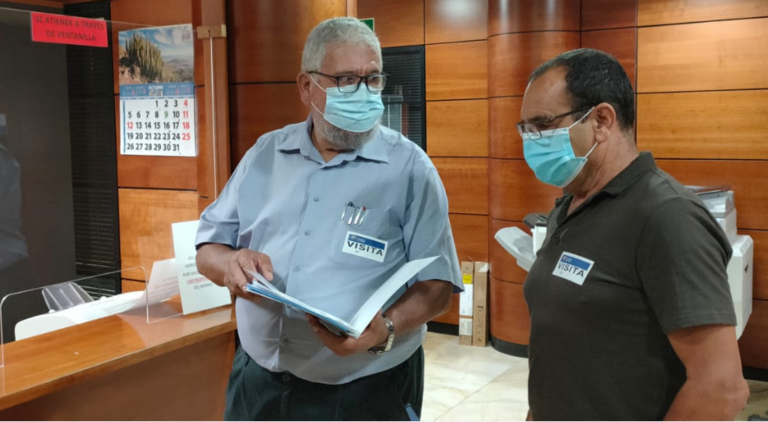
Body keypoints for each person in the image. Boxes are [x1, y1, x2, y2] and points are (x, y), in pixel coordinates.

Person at [195, 17, 462, 421]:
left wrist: (385, 329)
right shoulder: (265, 154)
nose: (363, 93)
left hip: (365, 388)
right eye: (345, 80)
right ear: (307, 87)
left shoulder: (410, 168)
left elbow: (438, 286)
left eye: (372, 80)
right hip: (259, 379)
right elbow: (208, 247)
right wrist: (229, 263)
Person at [516, 48, 749, 420]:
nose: (531, 141)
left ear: (602, 121)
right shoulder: (571, 203)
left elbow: (721, 388)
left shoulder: (666, 216)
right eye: (525, 128)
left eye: (543, 124)